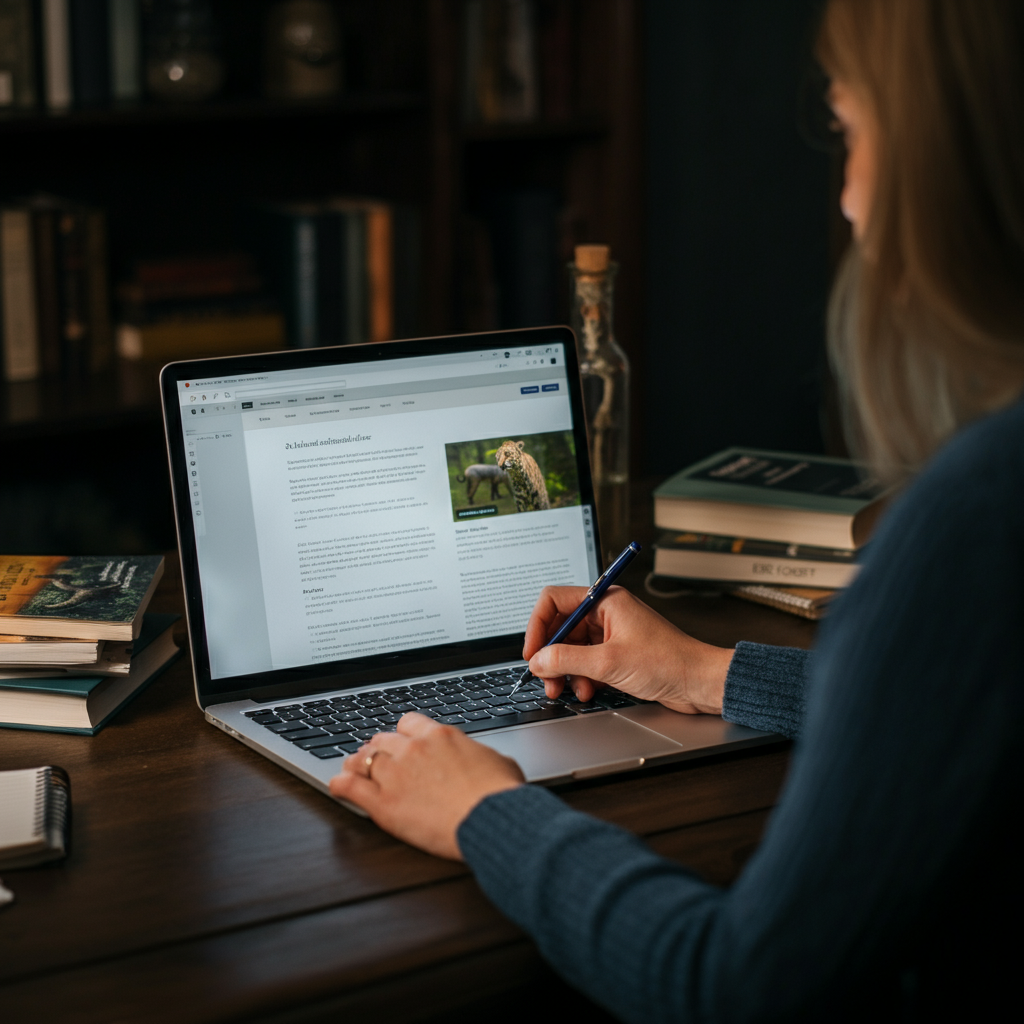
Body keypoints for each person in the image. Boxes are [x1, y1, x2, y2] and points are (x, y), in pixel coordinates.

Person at [331, 1, 1024, 1019]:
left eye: (851, 130)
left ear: (948, 154)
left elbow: (733, 987)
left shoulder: (976, 516)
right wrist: (708, 673)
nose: (845, 196)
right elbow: (952, 701)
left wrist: (484, 808)